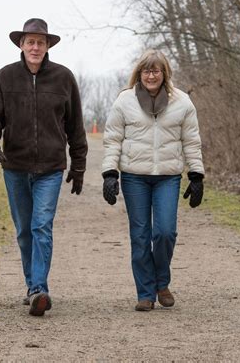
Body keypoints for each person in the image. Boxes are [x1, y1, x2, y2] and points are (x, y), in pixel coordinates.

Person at [0, 18, 87, 316]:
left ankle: (40, 288)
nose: (35, 47)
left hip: (51, 167)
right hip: (15, 167)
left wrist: (79, 165)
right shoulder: (4, 79)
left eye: (40, 42)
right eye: (30, 42)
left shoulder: (64, 79)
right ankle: (32, 285)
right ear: (21, 45)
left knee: (41, 226)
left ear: (47, 45)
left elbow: (75, 126)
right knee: (25, 229)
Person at [101, 49, 204, 311]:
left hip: (167, 178)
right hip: (134, 177)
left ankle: (162, 282)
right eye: (146, 71)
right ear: (139, 73)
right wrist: (110, 173)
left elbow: (191, 141)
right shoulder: (124, 101)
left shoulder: (182, 102)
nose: (151, 75)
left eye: (156, 70)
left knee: (165, 232)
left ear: (164, 73)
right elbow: (113, 138)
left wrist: (196, 175)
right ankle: (145, 292)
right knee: (140, 235)